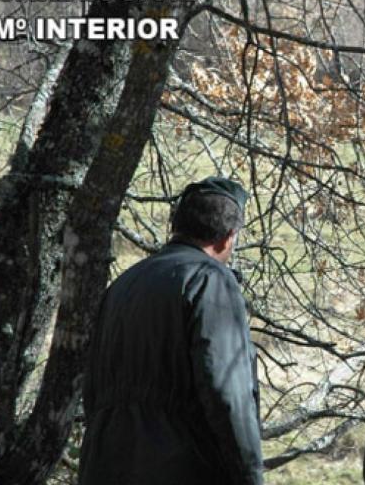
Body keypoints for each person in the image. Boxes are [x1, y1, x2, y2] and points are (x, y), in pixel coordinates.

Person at [79, 177, 263, 485]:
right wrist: (250, 475)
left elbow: (92, 391)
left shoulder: (123, 285)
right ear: (228, 238)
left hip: (102, 467)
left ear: (176, 227)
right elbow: (227, 391)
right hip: (179, 467)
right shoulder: (209, 279)